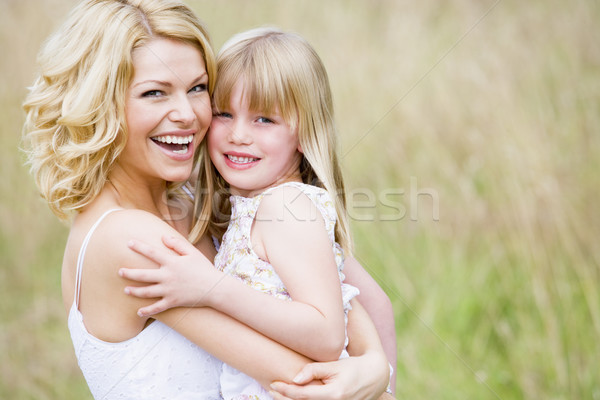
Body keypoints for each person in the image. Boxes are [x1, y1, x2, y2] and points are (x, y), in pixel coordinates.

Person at [21, 0, 394, 399]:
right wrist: (376, 375)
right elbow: (307, 383)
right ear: (99, 105)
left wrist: (374, 363)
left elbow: (362, 297)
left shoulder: (209, 204)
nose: (187, 113)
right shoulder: (127, 240)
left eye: (197, 88)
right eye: (154, 93)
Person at [119, 27, 394, 399]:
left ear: (303, 133)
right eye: (225, 113)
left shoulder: (286, 207)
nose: (238, 135)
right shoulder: (248, 206)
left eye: (264, 119)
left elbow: (328, 335)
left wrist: (211, 289)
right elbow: (373, 303)